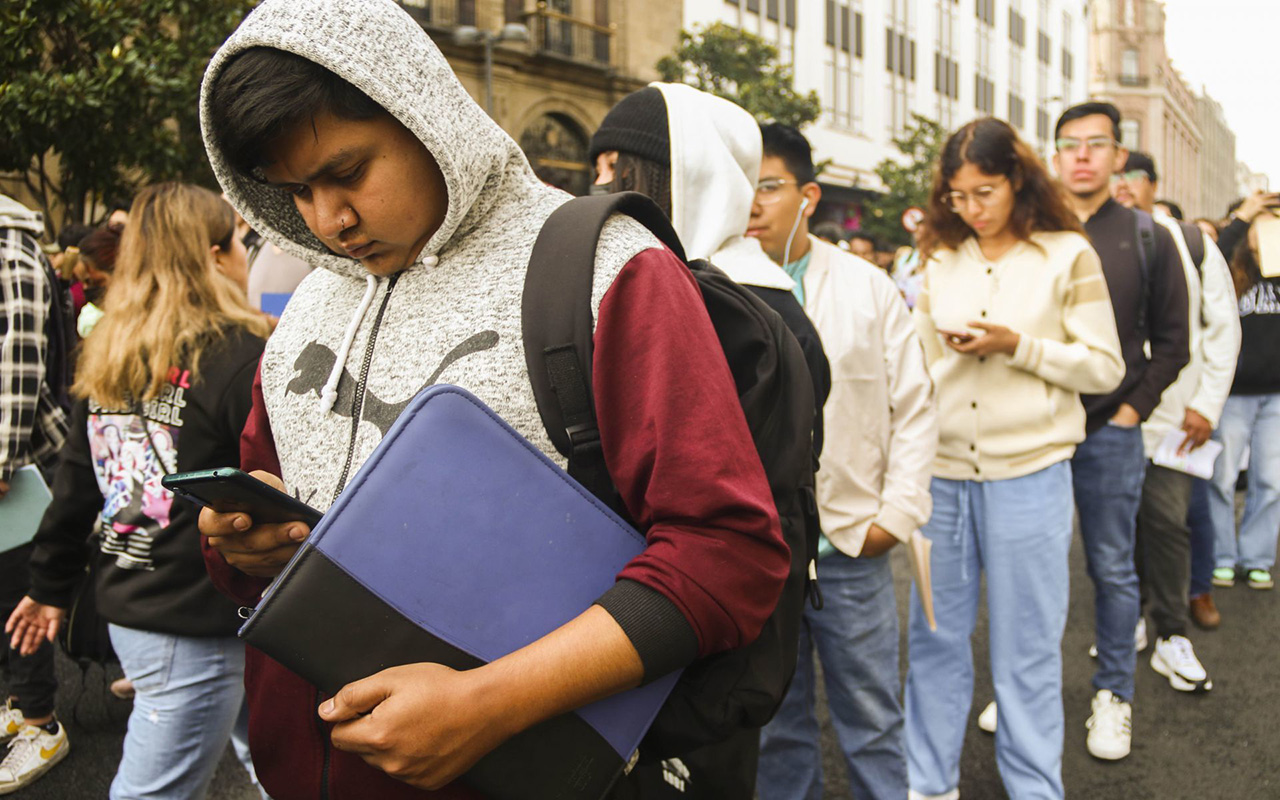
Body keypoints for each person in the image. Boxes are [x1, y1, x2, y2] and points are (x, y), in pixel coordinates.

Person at [197, 2, 789, 797]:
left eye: (347, 173)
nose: (328, 220)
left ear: (427, 115)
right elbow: (261, 508)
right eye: (293, 190)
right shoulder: (309, 305)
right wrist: (241, 545)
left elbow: (730, 555)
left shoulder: (609, 269)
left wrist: (490, 704)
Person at [588, 82, 829, 798]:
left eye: (617, 171)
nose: (597, 187)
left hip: (698, 662)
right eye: (596, 166)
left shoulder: (750, 313)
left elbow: (744, 517)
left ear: (675, 181)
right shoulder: (617, 283)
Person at [5, 183, 272, 799]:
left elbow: (74, 485)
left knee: (265, 753)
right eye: (238, 241)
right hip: (198, 615)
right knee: (153, 790)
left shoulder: (111, 348)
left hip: (131, 596)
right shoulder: (242, 355)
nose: (245, 255)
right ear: (212, 256)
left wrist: (48, 588)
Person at [906, 116, 1123, 800]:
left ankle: (1035, 788)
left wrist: (1016, 345)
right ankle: (928, 786)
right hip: (941, 478)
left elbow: (1105, 368)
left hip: (1030, 476)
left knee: (1026, 652)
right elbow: (916, 365)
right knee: (935, 644)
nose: (968, 208)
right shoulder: (938, 258)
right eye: (957, 196)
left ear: (1018, 181)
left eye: (984, 192)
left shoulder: (1067, 254)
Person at [750, 122, 936, 800]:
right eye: (742, 184)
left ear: (807, 195)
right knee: (775, 724)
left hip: (850, 546)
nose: (752, 202)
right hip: (762, 553)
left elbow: (914, 409)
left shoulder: (867, 288)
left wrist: (895, 515)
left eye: (767, 186)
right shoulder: (713, 282)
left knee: (872, 718)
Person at [1046, 102, 1189, 756]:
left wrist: (1132, 410)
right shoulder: (1034, 233)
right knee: (1033, 569)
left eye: (1095, 144)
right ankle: (1032, 687)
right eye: (1069, 143)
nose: (1081, 155)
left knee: (1111, 566)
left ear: (1118, 156)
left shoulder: (1148, 235)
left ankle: (1114, 694)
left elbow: (1174, 343)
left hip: (1111, 430)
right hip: (1038, 429)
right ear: (1053, 156)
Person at [1111, 151, 1241, 672]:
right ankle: (1125, 622)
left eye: (1133, 177)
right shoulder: (1084, 238)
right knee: (1114, 528)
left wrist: (1206, 405)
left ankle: (1170, 629)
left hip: (1172, 417)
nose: (1122, 185)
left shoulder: (1190, 242)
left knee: (1167, 522)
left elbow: (1223, 329)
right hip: (1105, 417)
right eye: (1115, 175)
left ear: (1153, 184)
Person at [0, 194, 72, 795]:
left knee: (18, 590)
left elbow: (20, 358)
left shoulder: (9, 245)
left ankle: (40, 720)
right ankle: (18, 700)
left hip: (19, 463)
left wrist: (0, 455)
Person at [1208, 210, 1280, 593]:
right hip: (1234, 394)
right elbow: (1208, 254)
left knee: (1270, 481)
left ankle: (1256, 558)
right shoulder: (1228, 271)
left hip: (1275, 397)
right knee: (1221, 477)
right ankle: (1222, 556)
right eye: (1262, 223)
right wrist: (1243, 215)